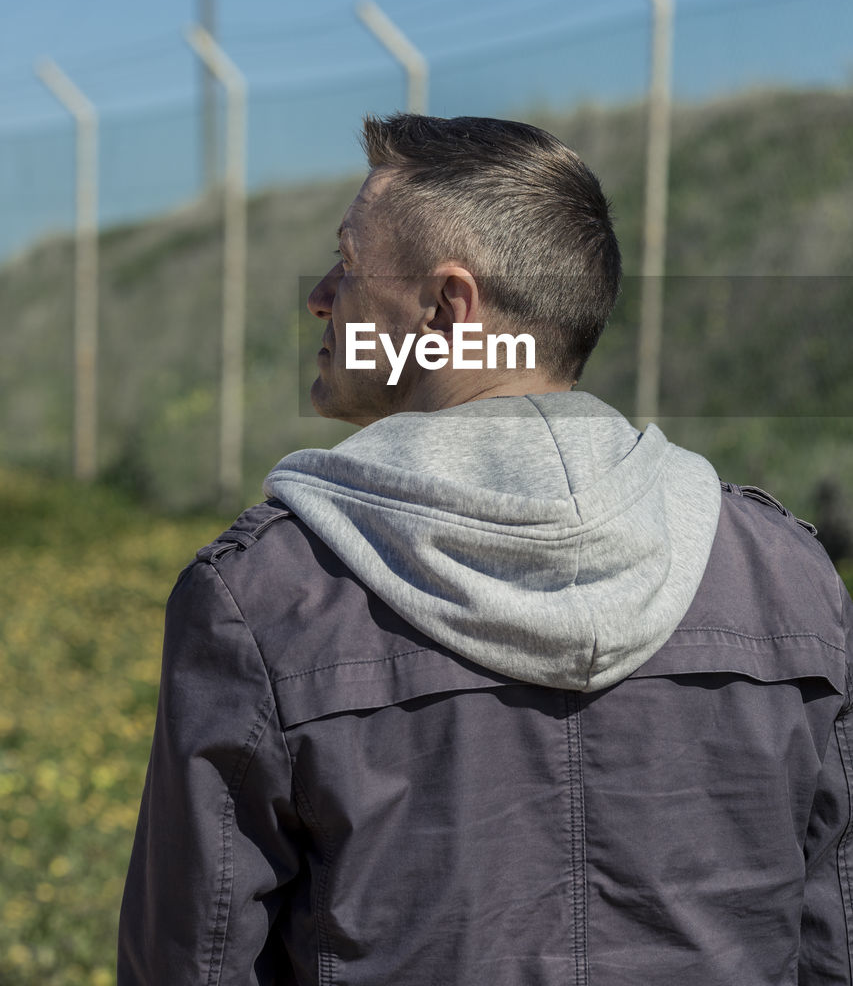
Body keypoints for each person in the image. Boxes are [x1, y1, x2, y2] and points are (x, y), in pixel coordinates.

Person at [118, 113, 853, 985]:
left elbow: (192, 963)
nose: (319, 295)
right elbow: (828, 945)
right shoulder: (785, 577)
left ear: (446, 308)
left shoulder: (264, 599)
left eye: (349, 263)